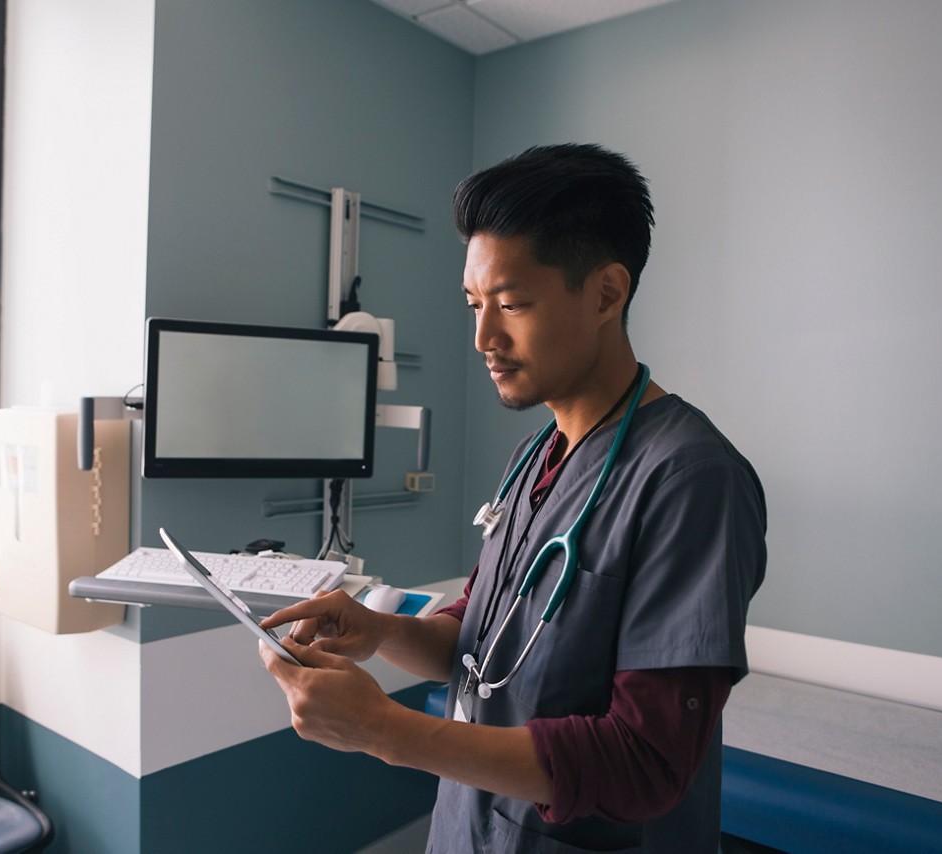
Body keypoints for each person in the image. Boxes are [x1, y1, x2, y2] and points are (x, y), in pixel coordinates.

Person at [259, 143, 767, 853]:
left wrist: (383, 730)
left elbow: (647, 763)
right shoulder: (536, 455)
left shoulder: (689, 478)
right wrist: (383, 633)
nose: (483, 338)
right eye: (474, 304)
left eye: (512, 304)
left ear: (606, 294)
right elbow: (482, 643)